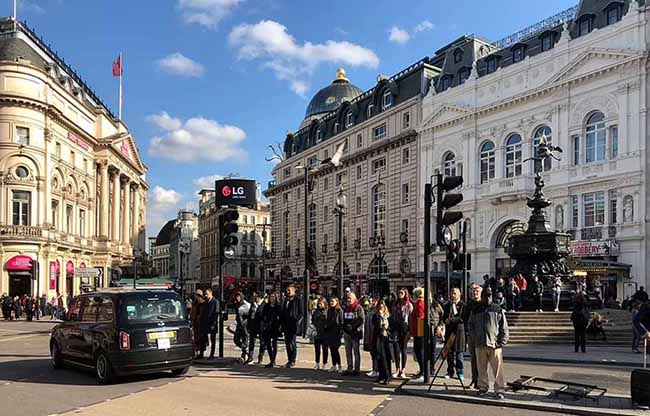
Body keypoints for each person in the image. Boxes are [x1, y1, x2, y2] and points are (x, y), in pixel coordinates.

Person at [468, 287, 510, 399]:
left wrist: (502, 341)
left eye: (490, 295)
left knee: (497, 369)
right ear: (481, 296)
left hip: (494, 344)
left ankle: (499, 389)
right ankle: (483, 387)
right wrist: (474, 337)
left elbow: (503, 326)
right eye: (486, 295)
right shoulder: (475, 310)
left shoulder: (497, 309)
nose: (488, 297)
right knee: (481, 368)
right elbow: (470, 325)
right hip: (480, 343)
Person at [443, 287, 466, 380]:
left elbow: (462, 318)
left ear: (459, 294)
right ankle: (450, 371)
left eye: (455, 293)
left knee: (459, 353)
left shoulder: (463, 305)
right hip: (449, 331)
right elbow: (444, 317)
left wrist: (451, 320)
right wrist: (445, 320)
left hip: (459, 332)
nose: (453, 295)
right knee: (449, 352)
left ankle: (460, 372)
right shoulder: (447, 305)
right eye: (451, 293)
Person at [463, 284, 483, 389]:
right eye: (473, 292)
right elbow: (465, 319)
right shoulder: (469, 305)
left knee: (482, 361)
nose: (475, 293)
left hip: (483, 337)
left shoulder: (484, 304)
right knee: (474, 359)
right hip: (472, 336)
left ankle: (482, 381)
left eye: (477, 291)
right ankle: (474, 380)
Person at [391, 288, 413, 379]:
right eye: (399, 292)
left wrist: (410, 331)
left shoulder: (409, 305)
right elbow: (392, 315)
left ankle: (403, 369)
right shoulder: (396, 304)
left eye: (402, 293)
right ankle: (397, 369)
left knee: (403, 349)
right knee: (396, 348)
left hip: (405, 328)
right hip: (396, 327)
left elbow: (411, 319)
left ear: (405, 294)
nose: (400, 294)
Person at [280, 285, 303, 368]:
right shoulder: (286, 299)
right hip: (286, 325)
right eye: (287, 290)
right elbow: (283, 311)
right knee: (287, 343)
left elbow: (301, 312)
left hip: (293, 324)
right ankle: (289, 360)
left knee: (292, 343)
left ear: (294, 291)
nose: (288, 292)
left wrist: (297, 320)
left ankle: (293, 360)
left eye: (289, 290)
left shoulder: (298, 299)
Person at [342, 291, 364, 376]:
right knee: (348, 351)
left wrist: (352, 326)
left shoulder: (358, 308)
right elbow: (344, 319)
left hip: (355, 333)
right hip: (347, 333)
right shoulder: (346, 308)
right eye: (347, 298)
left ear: (354, 299)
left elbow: (361, 319)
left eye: (350, 298)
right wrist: (345, 328)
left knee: (356, 352)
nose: (348, 300)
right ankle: (349, 368)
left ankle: (357, 369)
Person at [373, 299, 393, 385]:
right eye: (379, 307)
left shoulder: (389, 316)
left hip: (386, 339)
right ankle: (381, 375)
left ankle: (388, 376)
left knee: (386, 358)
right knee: (379, 357)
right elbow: (376, 325)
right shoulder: (375, 316)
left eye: (382, 307)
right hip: (378, 338)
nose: (381, 309)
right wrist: (380, 317)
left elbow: (392, 327)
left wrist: (387, 329)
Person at [261, 292, 282, 368]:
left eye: (273, 297)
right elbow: (263, 316)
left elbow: (281, 317)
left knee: (274, 344)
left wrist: (279, 324)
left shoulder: (278, 307)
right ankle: (271, 360)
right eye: (271, 297)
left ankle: (273, 361)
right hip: (267, 327)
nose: (272, 298)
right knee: (268, 344)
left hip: (275, 327)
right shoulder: (266, 306)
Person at [409, 288, 426, 381]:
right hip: (418, 331)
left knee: (419, 351)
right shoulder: (420, 302)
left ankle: (423, 371)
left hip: (419, 331)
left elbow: (420, 318)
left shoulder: (419, 303)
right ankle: (421, 370)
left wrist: (418, 333)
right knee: (418, 351)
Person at [325, 296, 344, 372]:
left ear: (337, 302)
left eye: (333, 301)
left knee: (336, 350)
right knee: (332, 349)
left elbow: (341, 322)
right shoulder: (329, 310)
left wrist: (341, 332)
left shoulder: (339, 310)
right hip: (330, 332)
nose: (331, 303)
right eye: (330, 301)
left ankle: (339, 365)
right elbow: (328, 321)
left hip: (337, 333)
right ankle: (334, 365)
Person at [311, 296, 329, 370]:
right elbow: (312, 320)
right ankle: (317, 363)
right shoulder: (316, 312)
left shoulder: (327, 311)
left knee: (325, 349)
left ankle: (324, 363)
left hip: (325, 333)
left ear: (324, 303)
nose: (319, 305)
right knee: (317, 349)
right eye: (319, 303)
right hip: (317, 333)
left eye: (321, 303)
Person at [247, 293, 264, 364]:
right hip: (253, 326)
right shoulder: (253, 305)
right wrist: (248, 325)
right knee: (251, 342)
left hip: (261, 327)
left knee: (262, 342)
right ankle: (250, 357)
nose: (255, 298)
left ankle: (260, 357)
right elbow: (249, 315)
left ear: (259, 298)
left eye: (256, 297)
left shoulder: (263, 305)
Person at [363, 297, 379, 377]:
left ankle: (376, 369)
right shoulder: (369, 310)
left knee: (376, 353)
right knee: (372, 353)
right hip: (369, 335)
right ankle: (374, 369)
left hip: (375, 335)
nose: (373, 303)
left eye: (375, 301)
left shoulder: (377, 311)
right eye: (372, 301)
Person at [202, 288, 219, 360]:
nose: (205, 295)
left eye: (207, 294)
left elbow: (216, 313)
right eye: (205, 294)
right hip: (205, 323)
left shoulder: (215, 302)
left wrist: (214, 324)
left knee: (213, 339)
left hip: (212, 324)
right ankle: (202, 352)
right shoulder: (206, 302)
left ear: (211, 293)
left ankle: (212, 354)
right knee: (203, 338)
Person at [234, 292, 251, 362]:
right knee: (236, 339)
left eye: (238, 296)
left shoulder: (246, 305)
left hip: (245, 326)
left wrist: (245, 323)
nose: (237, 298)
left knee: (245, 340)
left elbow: (249, 316)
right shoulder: (237, 304)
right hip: (239, 325)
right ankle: (246, 351)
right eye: (236, 296)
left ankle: (244, 356)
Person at [191, 289, 206, 358]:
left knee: (201, 339)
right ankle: (197, 352)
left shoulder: (202, 303)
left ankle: (201, 353)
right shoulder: (194, 303)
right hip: (195, 323)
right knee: (196, 338)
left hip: (201, 324)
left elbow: (202, 314)